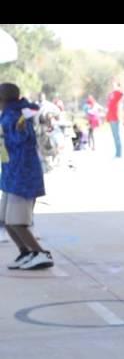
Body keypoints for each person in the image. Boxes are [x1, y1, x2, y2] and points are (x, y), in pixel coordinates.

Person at [0, 83, 53, 270]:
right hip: (10, 175)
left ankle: (40, 253)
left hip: (22, 177)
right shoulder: (9, 115)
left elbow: (22, 141)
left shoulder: (18, 117)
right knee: (6, 221)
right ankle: (26, 252)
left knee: (17, 221)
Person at [105, 80, 124, 158]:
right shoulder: (110, 94)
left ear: (118, 85)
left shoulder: (118, 92)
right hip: (110, 117)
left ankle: (118, 153)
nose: (113, 86)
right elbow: (109, 106)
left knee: (117, 135)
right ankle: (117, 152)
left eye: (114, 84)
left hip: (116, 116)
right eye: (112, 84)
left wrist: (122, 99)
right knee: (114, 136)